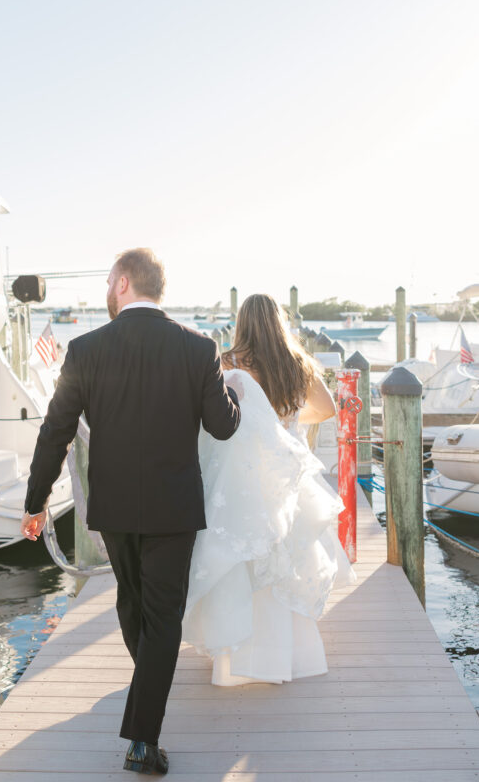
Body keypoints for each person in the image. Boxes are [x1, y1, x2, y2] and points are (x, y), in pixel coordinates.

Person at [20, 248, 241, 776]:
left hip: (114, 508)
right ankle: (147, 717)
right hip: (174, 508)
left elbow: (55, 432)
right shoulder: (198, 348)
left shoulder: (85, 349)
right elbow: (223, 427)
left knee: (134, 606)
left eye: (106, 281)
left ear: (122, 283)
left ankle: (144, 731)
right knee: (157, 618)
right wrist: (233, 395)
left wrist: (36, 502)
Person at [182, 293, 355, 686]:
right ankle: (286, 655)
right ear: (281, 322)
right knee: (284, 564)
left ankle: (237, 658)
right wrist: (287, 426)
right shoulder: (296, 365)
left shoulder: (228, 363)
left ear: (241, 323)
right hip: (285, 478)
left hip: (243, 477)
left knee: (243, 562)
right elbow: (327, 409)